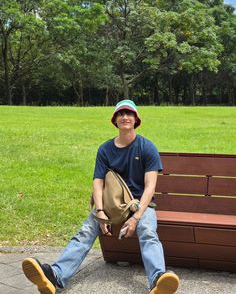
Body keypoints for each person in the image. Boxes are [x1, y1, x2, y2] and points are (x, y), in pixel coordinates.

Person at [22, 99, 180, 294]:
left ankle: (157, 280)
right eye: (120, 114)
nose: (125, 117)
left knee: (147, 230)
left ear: (136, 119)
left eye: (129, 113)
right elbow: (98, 183)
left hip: (140, 205)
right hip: (111, 205)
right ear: (115, 120)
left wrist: (136, 217)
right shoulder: (105, 149)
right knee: (85, 232)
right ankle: (55, 276)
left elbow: (150, 187)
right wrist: (100, 211)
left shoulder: (147, 147)